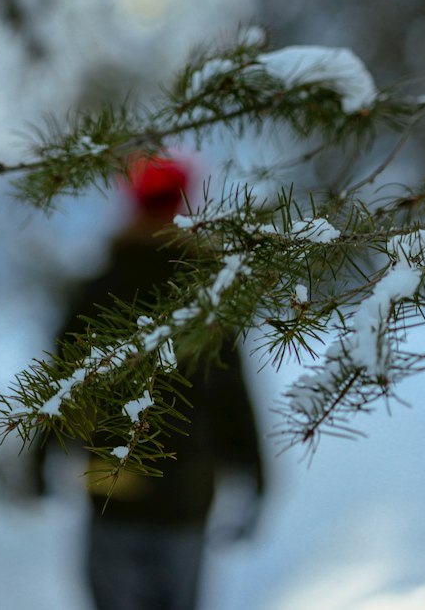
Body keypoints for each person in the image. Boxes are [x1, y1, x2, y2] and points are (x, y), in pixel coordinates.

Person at [35, 154, 265, 610]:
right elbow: (232, 395)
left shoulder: (98, 288)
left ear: (132, 203)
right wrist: (256, 475)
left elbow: (63, 386)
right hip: (189, 496)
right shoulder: (206, 294)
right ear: (185, 204)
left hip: (113, 492)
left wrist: (40, 459)